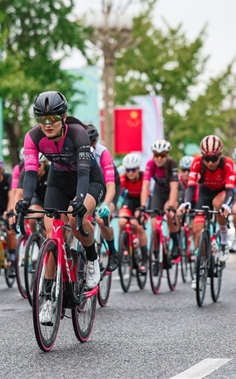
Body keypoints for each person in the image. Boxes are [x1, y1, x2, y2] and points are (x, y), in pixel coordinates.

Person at [16, 91, 105, 325]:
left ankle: (92, 260)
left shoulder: (78, 134)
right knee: (52, 235)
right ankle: (48, 299)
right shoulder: (33, 137)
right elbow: (31, 174)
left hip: (88, 180)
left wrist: (80, 200)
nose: (47, 124)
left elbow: (84, 174)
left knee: (76, 220)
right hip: (58, 181)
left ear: (64, 117)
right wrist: (25, 199)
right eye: (42, 119)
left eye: (53, 119)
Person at [183, 135, 235, 277]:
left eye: (214, 158)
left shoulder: (227, 163)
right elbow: (191, 187)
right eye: (206, 159)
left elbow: (230, 190)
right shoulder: (197, 162)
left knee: (218, 204)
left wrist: (226, 205)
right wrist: (187, 201)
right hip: (205, 193)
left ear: (220, 155)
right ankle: (200, 264)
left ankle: (223, 242)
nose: (210, 163)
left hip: (222, 192)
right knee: (198, 229)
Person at [139, 139, 180, 275]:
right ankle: (156, 257)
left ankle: (176, 244)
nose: (159, 159)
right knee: (154, 226)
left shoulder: (172, 163)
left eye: (162, 156)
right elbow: (145, 186)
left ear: (167, 155)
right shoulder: (150, 164)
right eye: (156, 155)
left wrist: (171, 206)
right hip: (158, 192)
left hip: (171, 192)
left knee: (169, 212)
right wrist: (143, 206)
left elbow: (174, 188)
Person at [88, 124, 120, 272]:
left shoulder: (103, 153)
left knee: (101, 219)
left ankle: (113, 252)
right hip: (91, 185)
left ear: (95, 142)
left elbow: (111, 186)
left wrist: (106, 204)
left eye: (91, 143)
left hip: (109, 185)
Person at [118, 153, 148, 274]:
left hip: (142, 201)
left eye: (133, 170)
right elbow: (116, 192)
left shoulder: (144, 177)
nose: (130, 173)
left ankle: (145, 260)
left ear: (138, 169)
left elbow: (146, 193)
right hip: (130, 200)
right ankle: (124, 246)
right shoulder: (124, 178)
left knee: (139, 227)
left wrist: (142, 208)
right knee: (121, 221)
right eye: (128, 170)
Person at [17, 153, 50, 236]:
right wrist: (15, 211)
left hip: (52, 199)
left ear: (45, 163)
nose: (35, 168)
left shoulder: (50, 171)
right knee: (32, 218)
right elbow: (19, 193)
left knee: (50, 223)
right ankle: (36, 238)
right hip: (38, 198)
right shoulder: (26, 172)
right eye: (33, 165)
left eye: (38, 165)